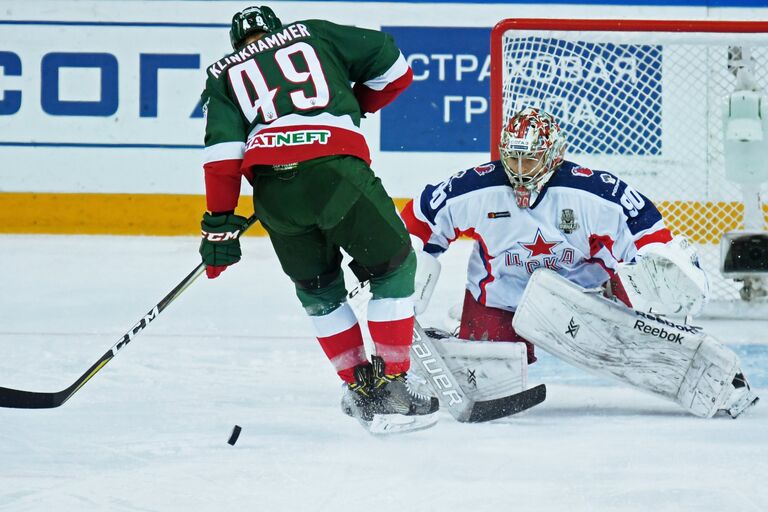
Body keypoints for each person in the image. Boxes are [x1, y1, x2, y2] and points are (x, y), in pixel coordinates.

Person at [401, 106, 758, 418]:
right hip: (501, 297)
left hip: (587, 295)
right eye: (513, 158)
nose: (520, 169)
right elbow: (423, 214)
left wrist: (658, 270)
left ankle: (704, 366)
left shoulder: (590, 192)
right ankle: (448, 341)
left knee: (654, 287)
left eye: (530, 159)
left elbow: (644, 225)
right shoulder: (478, 188)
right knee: (491, 384)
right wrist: (405, 265)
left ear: (553, 155)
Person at [197, 6, 438, 433]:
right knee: (394, 268)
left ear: (237, 46)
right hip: (337, 173)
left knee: (319, 291)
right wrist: (350, 108)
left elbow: (222, 158)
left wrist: (220, 224)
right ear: (279, 30)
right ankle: (394, 385)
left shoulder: (223, 73)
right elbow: (396, 70)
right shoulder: (313, 33)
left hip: (274, 193)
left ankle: (360, 389)